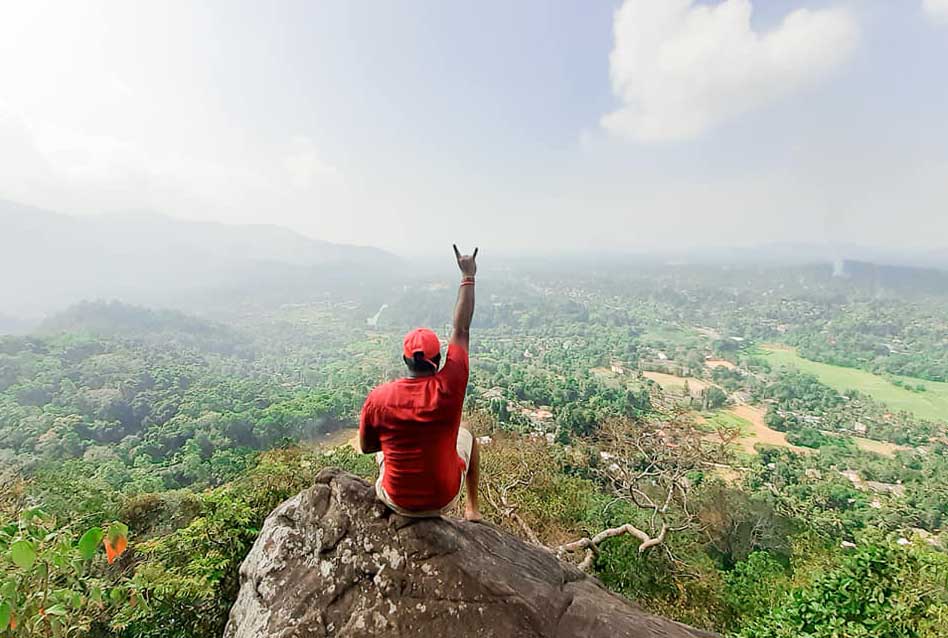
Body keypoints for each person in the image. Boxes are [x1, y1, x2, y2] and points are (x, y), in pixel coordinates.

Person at [358, 244, 481, 521]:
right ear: (438, 360)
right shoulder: (450, 385)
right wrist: (468, 276)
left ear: (405, 360)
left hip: (396, 500)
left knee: (383, 455)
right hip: (443, 497)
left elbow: (367, 447)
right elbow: (461, 329)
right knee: (469, 434)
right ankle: (472, 510)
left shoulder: (379, 398)